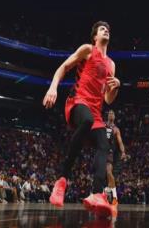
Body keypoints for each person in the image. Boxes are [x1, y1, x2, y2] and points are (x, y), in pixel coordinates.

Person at [43, 21, 120, 216]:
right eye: (102, 29)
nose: (106, 30)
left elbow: (108, 99)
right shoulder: (87, 50)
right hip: (78, 101)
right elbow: (64, 66)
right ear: (95, 37)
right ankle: (62, 181)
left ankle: (96, 193)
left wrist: (116, 87)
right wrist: (53, 88)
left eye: (108, 29)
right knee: (86, 121)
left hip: (96, 111)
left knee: (104, 145)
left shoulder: (111, 64)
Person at [105, 110, 127, 217]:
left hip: (109, 153)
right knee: (103, 177)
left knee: (109, 172)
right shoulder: (103, 126)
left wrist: (123, 152)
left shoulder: (116, 129)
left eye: (113, 113)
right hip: (101, 152)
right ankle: (107, 196)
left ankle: (114, 197)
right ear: (107, 116)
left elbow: (120, 142)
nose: (111, 115)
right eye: (110, 113)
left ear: (115, 117)